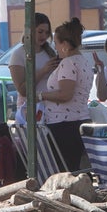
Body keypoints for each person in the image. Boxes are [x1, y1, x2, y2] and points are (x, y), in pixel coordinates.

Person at [36, 18, 93, 171]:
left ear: (65, 45)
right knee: (76, 170)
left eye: (56, 42)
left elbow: (65, 94)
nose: (54, 46)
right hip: (79, 121)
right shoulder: (84, 61)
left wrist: (41, 96)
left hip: (64, 126)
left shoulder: (68, 63)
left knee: (64, 172)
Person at [8, 12, 59, 126]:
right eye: (40, 32)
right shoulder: (19, 54)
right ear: (30, 31)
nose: (44, 36)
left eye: (46, 32)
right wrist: (43, 71)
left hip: (52, 111)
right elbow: (22, 90)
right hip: (31, 111)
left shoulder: (50, 52)